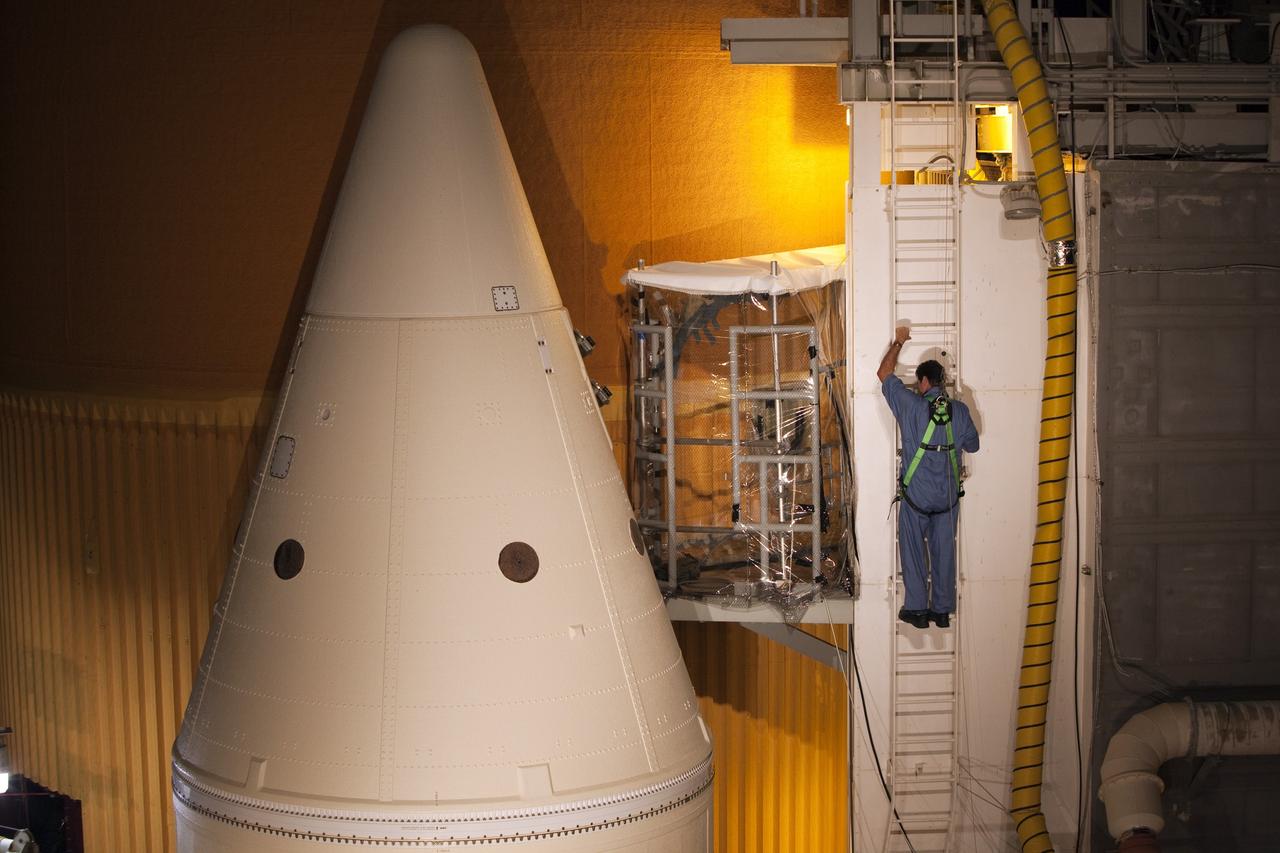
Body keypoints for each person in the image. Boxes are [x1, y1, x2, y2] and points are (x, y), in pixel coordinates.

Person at [877, 326, 979, 629]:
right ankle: (942, 610)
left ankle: (918, 609)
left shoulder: (911, 405)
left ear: (923, 382)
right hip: (947, 500)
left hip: (917, 499)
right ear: (941, 382)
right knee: (944, 553)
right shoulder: (959, 411)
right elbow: (973, 445)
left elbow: (883, 372)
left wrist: (899, 341)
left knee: (912, 549)